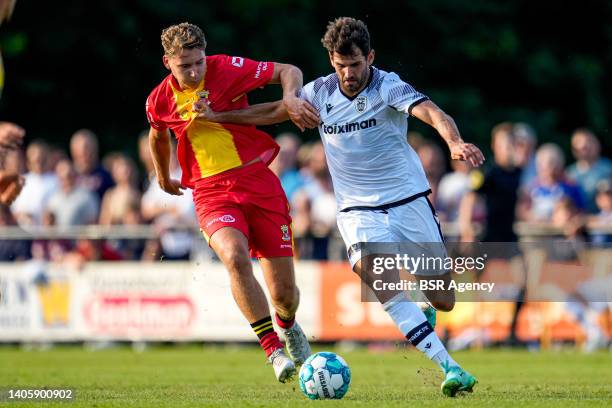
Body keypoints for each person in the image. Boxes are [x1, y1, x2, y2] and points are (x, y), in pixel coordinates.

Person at [196, 17, 483, 397]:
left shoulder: (388, 86)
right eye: (340, 65)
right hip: (356, 211)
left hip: (408, 200)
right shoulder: (318, 93)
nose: (348, 74)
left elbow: (432, 113)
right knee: (379, 280)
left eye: (356, 64)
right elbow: (270, 113)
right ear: (331, 60)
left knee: (443, 299)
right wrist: (219, 116)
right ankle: (450, 367)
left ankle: (424, 304)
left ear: (371, 57)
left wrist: (453, 142)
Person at [145, 22, 316, 382]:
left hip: (258, 182)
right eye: (184, 66)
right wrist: (162, 175)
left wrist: (290, 98)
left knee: (284, 294)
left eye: (198, 63)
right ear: (167, 63)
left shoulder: (226, 68)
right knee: (234, 256)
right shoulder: (159, 99)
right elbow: (157, 134)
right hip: (210, 191)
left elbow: (289, 71)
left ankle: (287, 324)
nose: (193, 72)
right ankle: (272, 349)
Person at [566, 128, 612, 214]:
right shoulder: (570, 174)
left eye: (589, 144)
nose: (586, 149)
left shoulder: (609, 169)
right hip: (576, 221)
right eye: (582, 147)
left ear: (597, 144)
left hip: (603, 222)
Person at [69, 129, 114, 201]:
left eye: (88, 148)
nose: (86, 153)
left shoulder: (106, 176)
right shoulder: (66, 177)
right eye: (82, 149)